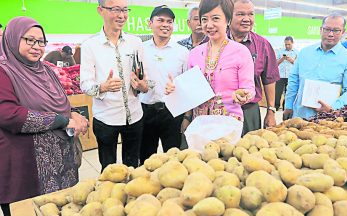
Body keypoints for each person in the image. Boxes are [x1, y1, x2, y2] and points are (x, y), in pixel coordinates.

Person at [0, 17, 88, 216]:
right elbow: (9, 115)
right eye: (29, 40)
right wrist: (61, 121)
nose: (36, 46)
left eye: (41, 42)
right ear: (12, 39)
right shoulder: (4, 71)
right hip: (26, 166)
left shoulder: (46, 69)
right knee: (26, 215)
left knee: (59, 211)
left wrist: (73, 113)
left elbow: (60, 101)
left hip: (61, 164)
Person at [80, 0, 148, 170]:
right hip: (106, 118)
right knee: (108, 169)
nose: (121, 15)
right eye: (116, 9)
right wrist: (103, 87)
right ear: (100, 10)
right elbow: (85, 84)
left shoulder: (135, 42)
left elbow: (145, 79)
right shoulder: (90, 46)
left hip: (134, 116)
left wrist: (141, 85)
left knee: (133, 167)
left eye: (125, 10)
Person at [167, 0, 255, 127]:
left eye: (215, 18)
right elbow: (190, 92)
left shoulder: (241, 52)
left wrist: (244, 94)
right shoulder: (194, 53)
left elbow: (249, 89)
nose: (209, 25)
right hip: (200, 124)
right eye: (204, 19)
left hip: (229, 125)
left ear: (228, 20)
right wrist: (175, 91)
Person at [283, 13, 347, 120]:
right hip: (299, 115)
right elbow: (294, 80)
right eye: (327, 29)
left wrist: (333, 107)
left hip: (327, 120)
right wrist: (288, 105)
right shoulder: (305, 53)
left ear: (343, 32)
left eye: (336, 30)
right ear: (321, 30)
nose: (330, 34)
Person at [139, 5, 189, 164]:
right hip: (145, 110)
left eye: (169, 21)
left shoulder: (182, 52)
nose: (165, 24)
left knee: (174, 158)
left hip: (172, 112)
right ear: (150, 23)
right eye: (160, 20)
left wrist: (178, 88)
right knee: (146, 158)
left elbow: (188, 85)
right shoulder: (140, 49)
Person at [229, 0, 279, 134]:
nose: (246, 19)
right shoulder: (216, 42)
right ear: (229, 16)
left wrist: (271, 111)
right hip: (221, 109)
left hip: (249, 111)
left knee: (250, 149)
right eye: (240, 14)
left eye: (251, 14)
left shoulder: (263, 45)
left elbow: (269, 79)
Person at [275, 36, 298, 111]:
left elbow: (298, 65)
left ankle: (286, 108)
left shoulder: (296, 52)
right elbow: (275, 64)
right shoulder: (279, 51)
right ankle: (276, 107)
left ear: (292, 43)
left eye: (289, 44)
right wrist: (282, 59)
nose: (287, 46)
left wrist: (291, 60)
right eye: (286, 44)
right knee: (277, 92)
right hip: (280, 75)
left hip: (291, 76)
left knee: (288, 93)